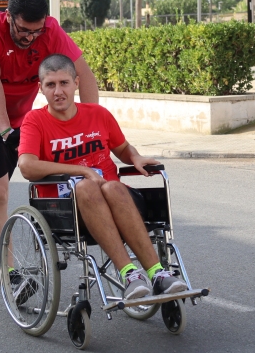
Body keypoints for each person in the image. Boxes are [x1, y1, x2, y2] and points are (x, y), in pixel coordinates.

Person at [0, 0, 100, 286]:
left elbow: (84, 75)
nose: (30, 37)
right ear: (8, 17)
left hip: (18, 119)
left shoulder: (51, 30)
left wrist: (90, 124)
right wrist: (5, 131)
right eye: (23, 30)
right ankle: (11, 279)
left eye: (36, 31)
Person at [18, 54, 188, 298]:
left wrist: (135, 157)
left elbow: (122, 148)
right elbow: (27, 166)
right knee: (86, 187)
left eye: (64, 83)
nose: (58, 91)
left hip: (118, 201)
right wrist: (82, 171)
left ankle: (158, 274)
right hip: (68, 210)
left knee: (112, 187)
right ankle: (129, 273)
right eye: (51, 85)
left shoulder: (98, 114)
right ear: (40, 88)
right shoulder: (35, 121)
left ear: (76, 83)